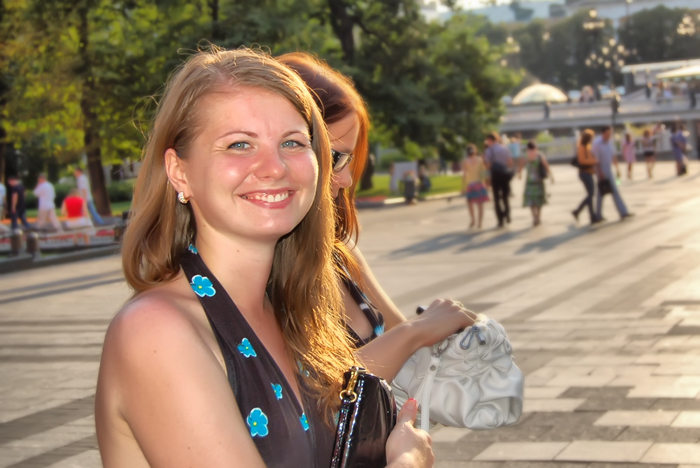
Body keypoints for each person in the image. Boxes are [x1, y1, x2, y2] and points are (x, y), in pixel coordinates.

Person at [95, 48, 432, 468]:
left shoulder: (292, 311)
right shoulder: (156, 331)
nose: (274, 167)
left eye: (292, 142)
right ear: (180, 172)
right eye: (239, 144)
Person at [279, 52, 477, 384]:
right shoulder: (253, 272)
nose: (346, 179)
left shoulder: (340, 253)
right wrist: (415, 333)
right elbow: (311, 395)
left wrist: (435, 336)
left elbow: (410, 355)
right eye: (335, 158)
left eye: (348, 160)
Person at [593, 126, 633, 221]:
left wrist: (617, 169)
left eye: (610, 134)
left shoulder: (609, 143)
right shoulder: (597, 143)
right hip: (600, 170)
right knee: (601, 193)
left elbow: (613, 156)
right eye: (607, 134)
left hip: (608, 169)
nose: (609, 135)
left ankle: (623, 212)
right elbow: (595, 159)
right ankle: (598, 215)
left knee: (614, 190)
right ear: (603, 133)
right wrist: (599, 172)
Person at [483, 131, 514, 228]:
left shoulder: (489, 150)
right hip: (504, 175)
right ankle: (507, 213)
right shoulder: (505, 148)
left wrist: (487, 178)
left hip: (495, 176)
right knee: (505, 196)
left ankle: (500, 220)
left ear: (490, 140)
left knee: (496, 198)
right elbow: (510, 162)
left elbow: (488, 166)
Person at [572, 129, 600, 225]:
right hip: (584, 173)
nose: (593, 139)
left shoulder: (587, 147)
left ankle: (592, 216)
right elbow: (582, 161)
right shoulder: (582, 147)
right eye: (591, 138)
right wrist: (594, 161)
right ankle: (578, 211)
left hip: (588, 172)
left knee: (590, 195)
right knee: (590, 195)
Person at [522, 141, 552, 227]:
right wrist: (551, 176)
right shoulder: (539, 155)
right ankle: (538, 216)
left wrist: (519, 174)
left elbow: (520, 165)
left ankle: (534, 217)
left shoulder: (525, 156)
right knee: (539, 201)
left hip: (529, 182)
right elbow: (546, 166)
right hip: (539, 181)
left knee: (531, 201)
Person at [461, 143, 489, 229]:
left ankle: (473, 219)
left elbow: (464, 174)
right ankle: (480, 223)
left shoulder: (466, 161)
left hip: (471, 184)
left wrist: (463, 187)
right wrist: (486, 182)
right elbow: (484, 172)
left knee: (470, 203)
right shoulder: (480, 160)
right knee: (480, 205)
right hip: (479, 183)